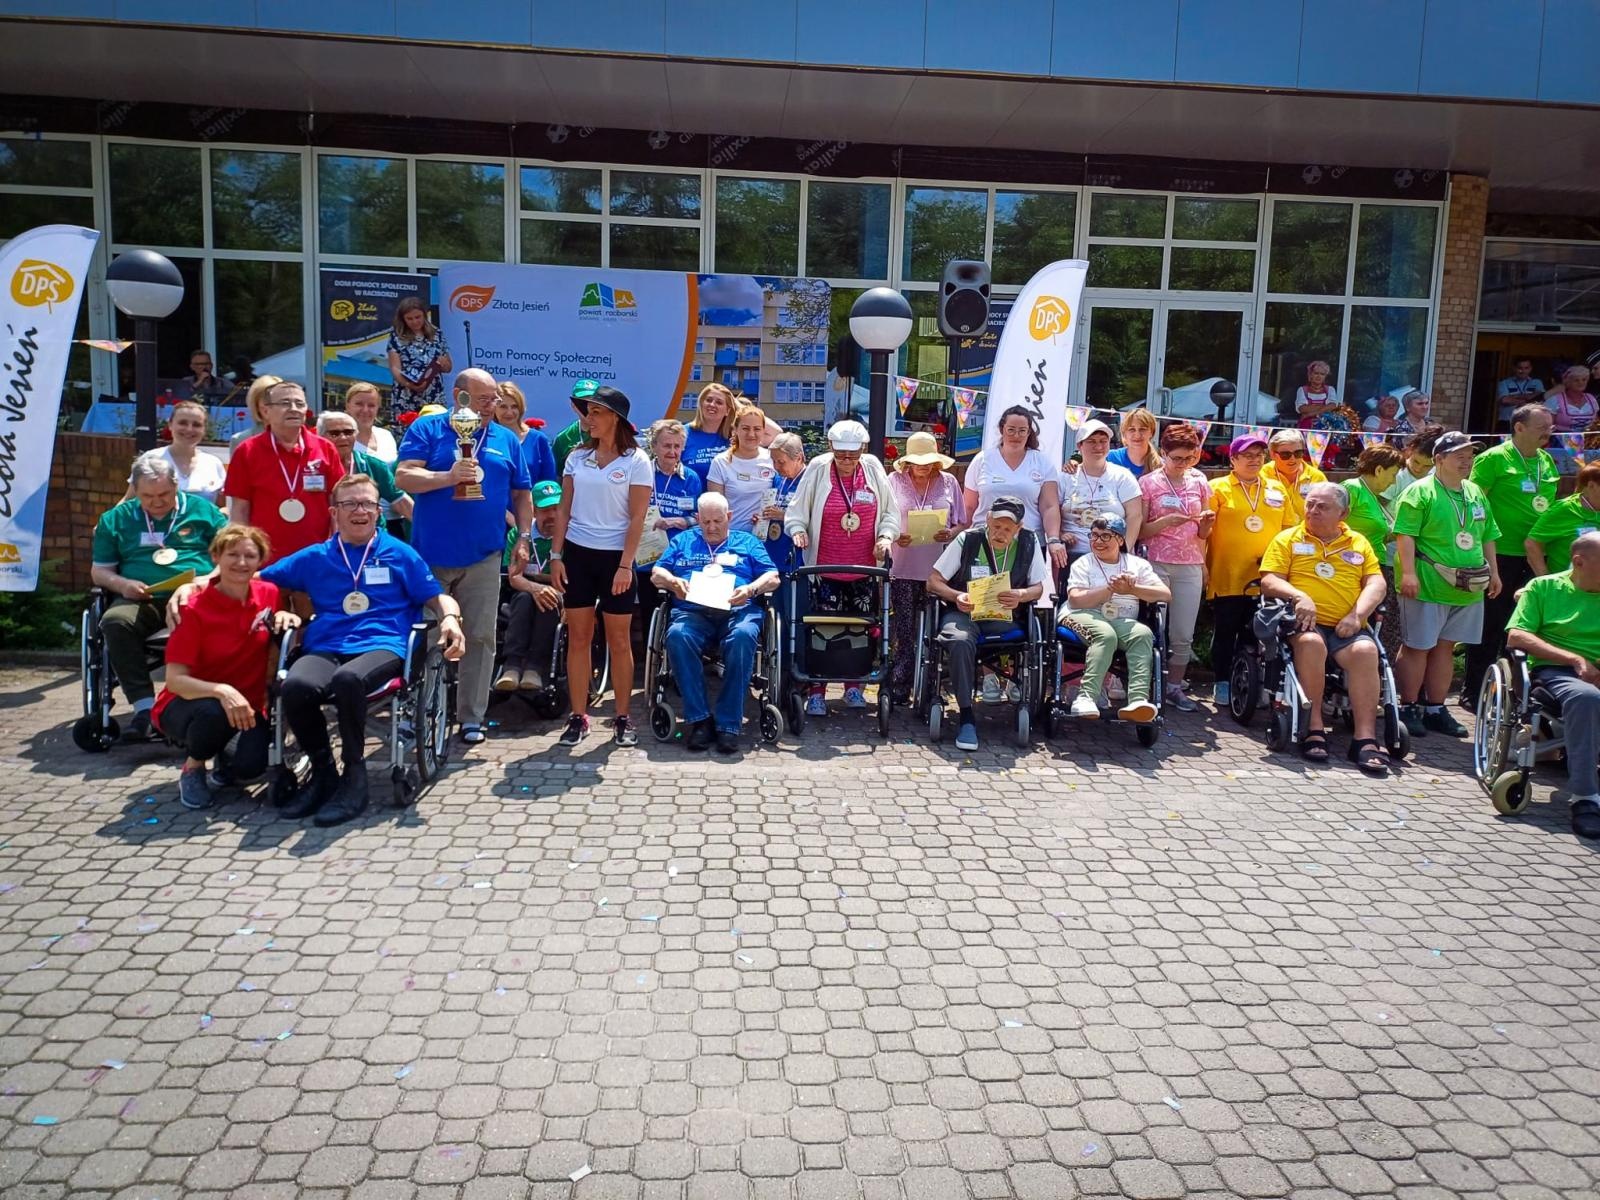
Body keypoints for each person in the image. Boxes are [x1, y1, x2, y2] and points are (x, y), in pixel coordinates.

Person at [260, 475, 465, 825]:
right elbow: (256, 579)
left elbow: (436, 596)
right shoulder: (316, 556)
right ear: (334, 512)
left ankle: (355, 778)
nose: (360, 510)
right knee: (295, 686)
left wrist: (450, 619)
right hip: (327, 644)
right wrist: (278, 607)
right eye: (350, 504)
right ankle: (324, 774)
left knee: (348, 680)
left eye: (368, 503)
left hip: (384, 645)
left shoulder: (400, 553)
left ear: (377, 511)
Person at [395, 368, 534, 745]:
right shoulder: (428, 430)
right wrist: (448, 477)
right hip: (431, 557)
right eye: (484, 399)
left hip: (484, 556)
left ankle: (471, 716)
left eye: (495, 400)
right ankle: (418, 711)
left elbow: (523, 493)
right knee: (428, 637)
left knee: (480, 637)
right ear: (460, 397)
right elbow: (404, 477)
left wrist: (522, 536)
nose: (493, 406)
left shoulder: (506, 439)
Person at [152, 525, 299, 810]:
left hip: (249, 705)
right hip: (190, 703)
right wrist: (223, 691)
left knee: (251, 767)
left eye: (250, 556)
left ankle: (226, 762)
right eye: (232, 554)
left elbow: (276, 619)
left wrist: (284, 614)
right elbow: (175, 680)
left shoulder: (268, 593)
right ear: (216, 557)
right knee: (214, 711)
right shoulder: (192, 607)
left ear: (260, 562)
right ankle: (193, 768)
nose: (241, 563)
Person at [91, 453, 231, 742]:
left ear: (176, 485)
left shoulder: (203, 511)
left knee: (201, 619)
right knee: (115, 621)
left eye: (164, 494)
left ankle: (201, 701)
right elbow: (99, 571)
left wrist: (208, 578)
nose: (156, 502)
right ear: (136, 491)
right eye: (147, 496)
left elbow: (231, 553)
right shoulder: (115, 519)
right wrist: (122, 583)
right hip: (142, 598)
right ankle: (144, 709)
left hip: (195, 595)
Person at [1259, 484, 1390, 773]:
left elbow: (1376, 583)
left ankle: (1365, 738)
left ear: (1343, 513)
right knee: (1311, 644)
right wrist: (1298, 596)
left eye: (1322, 507)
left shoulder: (1358, 543)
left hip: (1348, 624)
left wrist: (1357, 615)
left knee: (1366, 650)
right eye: (1310, 504)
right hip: (1305, 624)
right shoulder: (1288, 539)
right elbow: (1269, 579)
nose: (1313, 511)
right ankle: (1314, 727)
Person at [549, 385, 652, 747]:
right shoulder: (577, 457)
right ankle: (578, 716)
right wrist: (556, 556)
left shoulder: (637, 460)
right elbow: (563, 510)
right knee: (578, 639)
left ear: (615, 419)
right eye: (586, 412)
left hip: (616, 560)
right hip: (577, 555)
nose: (587, 419)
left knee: (619, 641)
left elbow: (638, 517)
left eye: (595, 413)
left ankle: (622, 717)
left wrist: (625, 566)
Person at [652, 493, 781, 754]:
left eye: (718, 521)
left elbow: (773, 577)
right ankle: (699, 720)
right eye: (706, 521)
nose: (711, 528)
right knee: (676, 635)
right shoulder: (683, 541)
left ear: (729, 518)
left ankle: (728, 725)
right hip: (692, 613)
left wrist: (751, 589)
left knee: (744, 637)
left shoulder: (747, 542)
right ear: (697, 519)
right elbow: (657, 573)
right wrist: (673, 582)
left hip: (737, 610)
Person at [785, 419, 898, 714]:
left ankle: (854, 687)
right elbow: (797, 510)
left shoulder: (873, 468)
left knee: (860, 630)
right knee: (822, 630)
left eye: (853, 454)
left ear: (862, 449)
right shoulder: (820, 468)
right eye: (841, 454)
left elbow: (889, 512)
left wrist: (885, 537)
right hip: (824, 569)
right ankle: (818, 690)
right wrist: (798, 530)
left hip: (864, 569)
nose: (847, 460)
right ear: (831, 448)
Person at [1393, 430, 1502, 738]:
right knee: (1417, 646)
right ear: (1439, 459)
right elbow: (1405, 535)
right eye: (1460, 457)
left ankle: (1435, 708)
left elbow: (1488, 535)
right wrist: (1409, 574)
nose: (1467, 462)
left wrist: (1494, 572)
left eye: (1470, 457)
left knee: (1446, 646)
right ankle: (1408, 706)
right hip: (1428, 582)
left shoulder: (1475, 492)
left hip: (1469, 586)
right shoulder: (1420, 492)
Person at [927, 496, 1050, 751]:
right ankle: (966, 715)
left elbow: (1038, 587)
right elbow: (934, 582)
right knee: (959, 641)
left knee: (1027, 637)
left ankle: (1020, 695)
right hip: (963, 612)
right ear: (988, 520)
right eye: (996, 526)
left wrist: (1021, 595)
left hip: (1003, 617)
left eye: (1007, 529)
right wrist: (956, 596)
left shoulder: (1029, 542)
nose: (1000, 533)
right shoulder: (968, 539)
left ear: (1018, 528)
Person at [1505, 532, 1600, 839]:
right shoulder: (1543, 588)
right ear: (1579, 562)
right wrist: (1574, 659)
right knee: (1586, 698)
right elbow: (1517, 637)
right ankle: (1585, 797)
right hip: (1558, 673)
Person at [1463, 403, 1558, 706]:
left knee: (1522, 625)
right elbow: (1472, 503)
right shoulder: (1493, 459)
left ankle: (1510, 692)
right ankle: (1473, 690)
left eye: (1550, 425)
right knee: (1491, 624)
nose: (1549, 431)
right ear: (1519, 427)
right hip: (1500, 555)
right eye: (1542, 426)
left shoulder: (1547, 461)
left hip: (1535, 556)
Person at [1206, 432, 1293, 704]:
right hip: (1228, 573)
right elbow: (1203, 530)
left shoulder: (1277, 489)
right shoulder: (1217, 487)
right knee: (1226, 630)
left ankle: (1250, 683)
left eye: (1259, 455)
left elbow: (1289, 529)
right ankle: (1221, 681)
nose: (1254, 460)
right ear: (1233, 459)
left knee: (1259, 632)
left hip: (1268, 577)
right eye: (1247, 455)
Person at [1060, 514, 1171, 723]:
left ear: (1120, 540)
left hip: (1121, 619)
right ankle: (1086, 697)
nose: (1097, 541)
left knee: (1143, 633)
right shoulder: (1084, 563)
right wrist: (1110, 589)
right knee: (1105, 635)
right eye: (1094, 536)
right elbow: (1075, 600)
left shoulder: (1137, 565)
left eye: (1105, 536)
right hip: (1083, 615)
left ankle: (1137, 700)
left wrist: (1132, 588)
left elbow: (1165, 594)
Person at [224, 380, 345, 565]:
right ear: (266, 411)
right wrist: (243, 553)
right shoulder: (247, 451)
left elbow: (337, 504)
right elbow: (240, 511)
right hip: (265, 559)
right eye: (285, 403)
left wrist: (338, 549)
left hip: (317, 557)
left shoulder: (325, 448)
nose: (294, 409)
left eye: (299, 403)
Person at [1138, 423, 1214, 711]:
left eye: (1188, 458)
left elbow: (1204, 534)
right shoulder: (1148, 483)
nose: (1183, 464)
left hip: (1190, 563)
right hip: (1155, 562)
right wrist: (1165, 522)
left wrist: (1206, 524)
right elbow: (1141, 531)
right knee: (1151, 628)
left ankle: (1174, 687)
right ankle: (1144, 685)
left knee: (1183, 633)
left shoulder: (1199, 481)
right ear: (1163, 453)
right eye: (1177, 458)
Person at [888, 431, 966, 704]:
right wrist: (897, 534)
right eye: (916, 461)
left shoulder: (948, 481)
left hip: (938, 569)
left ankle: (932, 684)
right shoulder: (894, 481)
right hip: (903, 565)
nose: (922, 466)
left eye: (927, 460)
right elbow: (883, 520)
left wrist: (951, 532)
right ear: (907, 461)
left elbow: (961, 522)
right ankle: (900, 682)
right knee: (905, 628)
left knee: (934, 630)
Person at [962, 405, 1067, 571]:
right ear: (1001, 429)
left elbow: (1049, 506)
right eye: (1011, 430)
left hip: (1027, 542)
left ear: (1029, 433)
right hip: (984, 540)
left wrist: (1053, 539)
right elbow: (968, 506)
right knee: (980, 594)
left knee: (1023, 595)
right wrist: (960, 536)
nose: (1016, 436)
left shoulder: (1042, 462)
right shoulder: (982, 460)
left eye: (1022, 430)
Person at [636, 418, 704, 635]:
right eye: (667, 445)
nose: (672, 452)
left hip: (678, 556)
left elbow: (699, 516)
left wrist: (681, 521)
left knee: (679, 614)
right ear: (654, 446)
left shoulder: (691, 478)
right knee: (649, 610)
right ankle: (649, 659)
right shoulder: (642, 471)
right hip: (646, 554)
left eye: (677, 446)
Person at [495, 480, 564, 692]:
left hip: (560, 590)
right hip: (524, 589)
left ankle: (535, 667)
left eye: (556, 508)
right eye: (545, 510)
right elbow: (513, 576)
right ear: (534, 510)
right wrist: (535, 588)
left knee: (549, 599)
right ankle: (512, 667)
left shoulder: (571, 535)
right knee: (525, 599)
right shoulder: (518, 535)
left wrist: (544, 589)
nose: (552, 515)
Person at [1341, 441, 1406, 664]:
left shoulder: (1373, 497)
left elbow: (1378, 534)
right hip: (1351, 568)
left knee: (1379, 626)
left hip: (1375, 565)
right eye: (1393, 474)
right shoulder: (1352, 488)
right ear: (1378, 470)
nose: (1394, 481)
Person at [1058, 418, 1143, 564]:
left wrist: (1124, 551)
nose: (1098, 446)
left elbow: (1135, 516)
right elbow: (1051, 509)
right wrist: (1059, 534)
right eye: (1091, 441)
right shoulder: (1065, 477)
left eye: (1103, 441)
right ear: (1080, 445)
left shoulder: (1122, 476)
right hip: (1072, 554)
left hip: (1112, 556)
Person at [317, 410, 413, 524]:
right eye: (334, 433)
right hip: (325, 535)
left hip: (369, 535)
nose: (343, 438)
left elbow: (401, 501)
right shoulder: (311, 467)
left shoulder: (374, 466)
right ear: (320, 436)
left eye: (348, 432)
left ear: (356, 435)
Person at [124, 400, 227, 506]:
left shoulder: (214, 463)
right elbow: (128, 502)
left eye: (196, 425)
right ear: (170, 425)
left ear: (204, 429)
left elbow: (222, 508)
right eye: (183, 423)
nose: (189, 429)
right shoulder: (151, 459)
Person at [707, 404, 776, 536]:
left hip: (764, 539)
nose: (751, 434)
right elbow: (715, 510)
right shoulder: (720, 462)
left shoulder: (771, 459)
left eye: (757, 429)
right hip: (731, 538)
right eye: (745, 428)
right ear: (735, 430)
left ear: (763, 431)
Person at [1526, 461, 1600, 575]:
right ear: (1591, 486)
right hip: (1569, 587)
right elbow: (1532, 543)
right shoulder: (1564, 509)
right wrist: (1546, 581)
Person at [386, 296, 452, 417]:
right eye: (409, 319)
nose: (415, 321)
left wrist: (443, 363)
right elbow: (395, 368)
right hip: (406, 394)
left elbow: (448, 367)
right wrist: (409, 385)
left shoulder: (437, 334)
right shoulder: (396, 336)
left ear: (424, 315)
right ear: (403, 319)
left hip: (433, 393)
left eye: (418, 317)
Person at [494, 380, 558, 486]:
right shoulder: (487, 438)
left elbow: (549, 482)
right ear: (494, 408)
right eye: (503, 407)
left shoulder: (538, 439)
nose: (509, 412)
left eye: (514, 406)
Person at [760, 432, 807, 578]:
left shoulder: (809, 481)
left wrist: (783, 516)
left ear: (798, 458)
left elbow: (815, 519)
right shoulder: (778, 479)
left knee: (793, 600)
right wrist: (762, 518)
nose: (776, 467)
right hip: (774, 554)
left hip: (796, 558)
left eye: (781, 462)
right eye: (773, 461)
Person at [1260, 428, 1327, 524]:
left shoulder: (1316, 477)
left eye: (1298, 453)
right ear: (1273, 455)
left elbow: (1326, 509)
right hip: (1271, 533)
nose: (1292, 459)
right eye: (1285, 455)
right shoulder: (1261, 475)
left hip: (1305, 535)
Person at [682, 383, 735, 486]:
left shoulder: (734, 437)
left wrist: (736, 403)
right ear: (701, 404)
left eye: (719, 402)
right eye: (708, 400)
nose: (712, 405)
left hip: (724, 500)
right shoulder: (684, 433)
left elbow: (772, 432)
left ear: (727, 411)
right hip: (689, 498)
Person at [1383, 423, 1444, 502]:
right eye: (1416, 461)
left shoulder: (1439, 476)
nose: (1418, 469)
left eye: (1427, 466)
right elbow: (1378, 507)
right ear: (1411, 450)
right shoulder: (1396, 474)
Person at [343, 381, 398, 464]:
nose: (365, 410)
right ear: (348, 406)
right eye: (359, 404)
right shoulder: (342, 440)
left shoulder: (386, 436)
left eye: (371, 405)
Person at [552, 378, 600, 473]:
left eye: (593, 402)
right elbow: (558, 477)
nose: (588, 407)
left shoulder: (613, 434)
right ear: (573, 405)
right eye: (582, 402)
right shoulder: (563, 439)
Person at [228, 373, 282, 455]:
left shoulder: (298, 438)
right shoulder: (240, 440)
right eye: (267, 400)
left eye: (280, 400)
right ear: (256, 404)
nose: (273, 404)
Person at [1107, 408, 1161, 478]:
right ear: (1124, 433)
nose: (1137, 435)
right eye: (1131, 429)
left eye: (1142, 429)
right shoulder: (1109, 458)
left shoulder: (1161, 466)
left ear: (1151, 432)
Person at [1545, 364, 1598, 433]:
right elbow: (1546, 426)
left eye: (1584, 380)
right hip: (1561, 441)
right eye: (1576, 380)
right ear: (1568, 382)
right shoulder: (1554, 400)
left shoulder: (1591, 398)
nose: (1581, 383)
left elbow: (1596, 423)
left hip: (1589, 441)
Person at [1497, 357, 1544, 429]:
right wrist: (1529, 399)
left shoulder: (1537, 383)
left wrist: (1514, 397)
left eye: (1526, 368)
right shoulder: (1504, 383)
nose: (1523, 371)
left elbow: (1541, 398)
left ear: (1530, 368)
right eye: (1520, 368)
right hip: (1507, 421)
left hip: (1529, 422)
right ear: (1514, 368)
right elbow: (1504, 400)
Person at [1295, 360, 1338, 428]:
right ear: (1310, 374)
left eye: (1322, 374)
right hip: (1306, 425)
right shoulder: (1302, 390)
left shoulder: (1330, 390)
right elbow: (1302, 408)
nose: (1319, 376)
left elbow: (1333, 406)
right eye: (1316, 373)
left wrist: (1310, 414)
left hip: (1325, 425)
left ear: (1325, 376)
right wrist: (1324, 408)